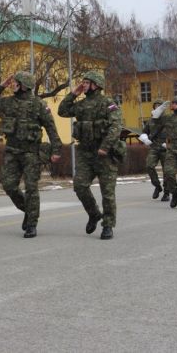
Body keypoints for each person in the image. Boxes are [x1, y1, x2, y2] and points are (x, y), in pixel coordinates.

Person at [0, 71, 62, 238]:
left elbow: (51, 128)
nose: (12, 84)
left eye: (15, 82)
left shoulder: (39, 104)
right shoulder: (8, 102)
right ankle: (29, 210)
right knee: (8, 185)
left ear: (24, 85)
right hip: (12, 151)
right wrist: (1, 86)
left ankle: (31, 224)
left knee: (31, 188)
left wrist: (56, 150)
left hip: (31, 153)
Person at [58, 71, 124, 240]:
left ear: (96, 85)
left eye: (87, 82)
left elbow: (116, 127)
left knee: (107, 192)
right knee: (79, 185)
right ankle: (94, 213)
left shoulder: (108, 103)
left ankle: (108, 225)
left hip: (105, 154)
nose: (84, 85)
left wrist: (105, 147)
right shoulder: (81, 105)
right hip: (85, 153)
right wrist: (73, 94)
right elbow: (62, 111)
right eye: (83, 82)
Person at [139, 99, 170, 201]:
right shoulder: (151, 121)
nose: (157, 107)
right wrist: (145, 139)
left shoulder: (168, 119)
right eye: (155, 106)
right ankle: (157, 186)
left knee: (167, 171)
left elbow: (176, 132)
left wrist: (169, 143)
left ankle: (166, 192)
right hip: (154, 147)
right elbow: (144, 132)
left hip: (165, 148)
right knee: (149, 166)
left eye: (159, 106)